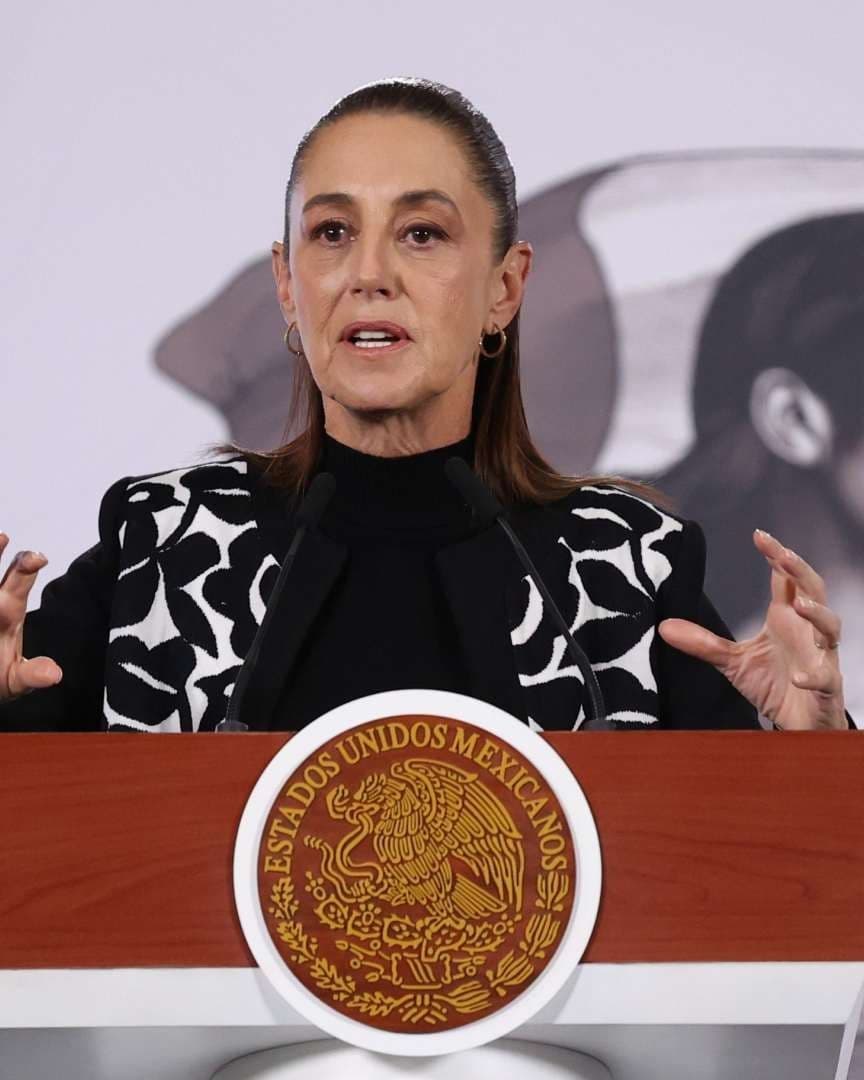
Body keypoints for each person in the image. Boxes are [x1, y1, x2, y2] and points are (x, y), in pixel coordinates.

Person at [0, 77, 851, 734]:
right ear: (288, 287)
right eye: (332, 232)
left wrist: (815, 747)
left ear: (504, 289)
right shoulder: (165, 542)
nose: (370, 273)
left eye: (422, 234)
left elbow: (782, 892)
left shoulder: (629, 564)